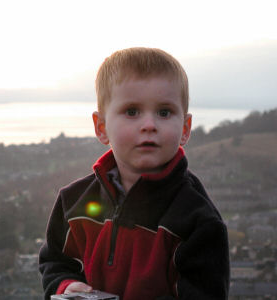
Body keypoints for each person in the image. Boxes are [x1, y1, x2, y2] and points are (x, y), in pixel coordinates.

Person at [39, 47, 230, 300]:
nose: (149, 125)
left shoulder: (197, 220)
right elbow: (56, 263)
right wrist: (66, 286)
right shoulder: (73, 202)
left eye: (164, 112)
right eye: (132, 111)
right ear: (102, 127)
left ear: (185, 128)